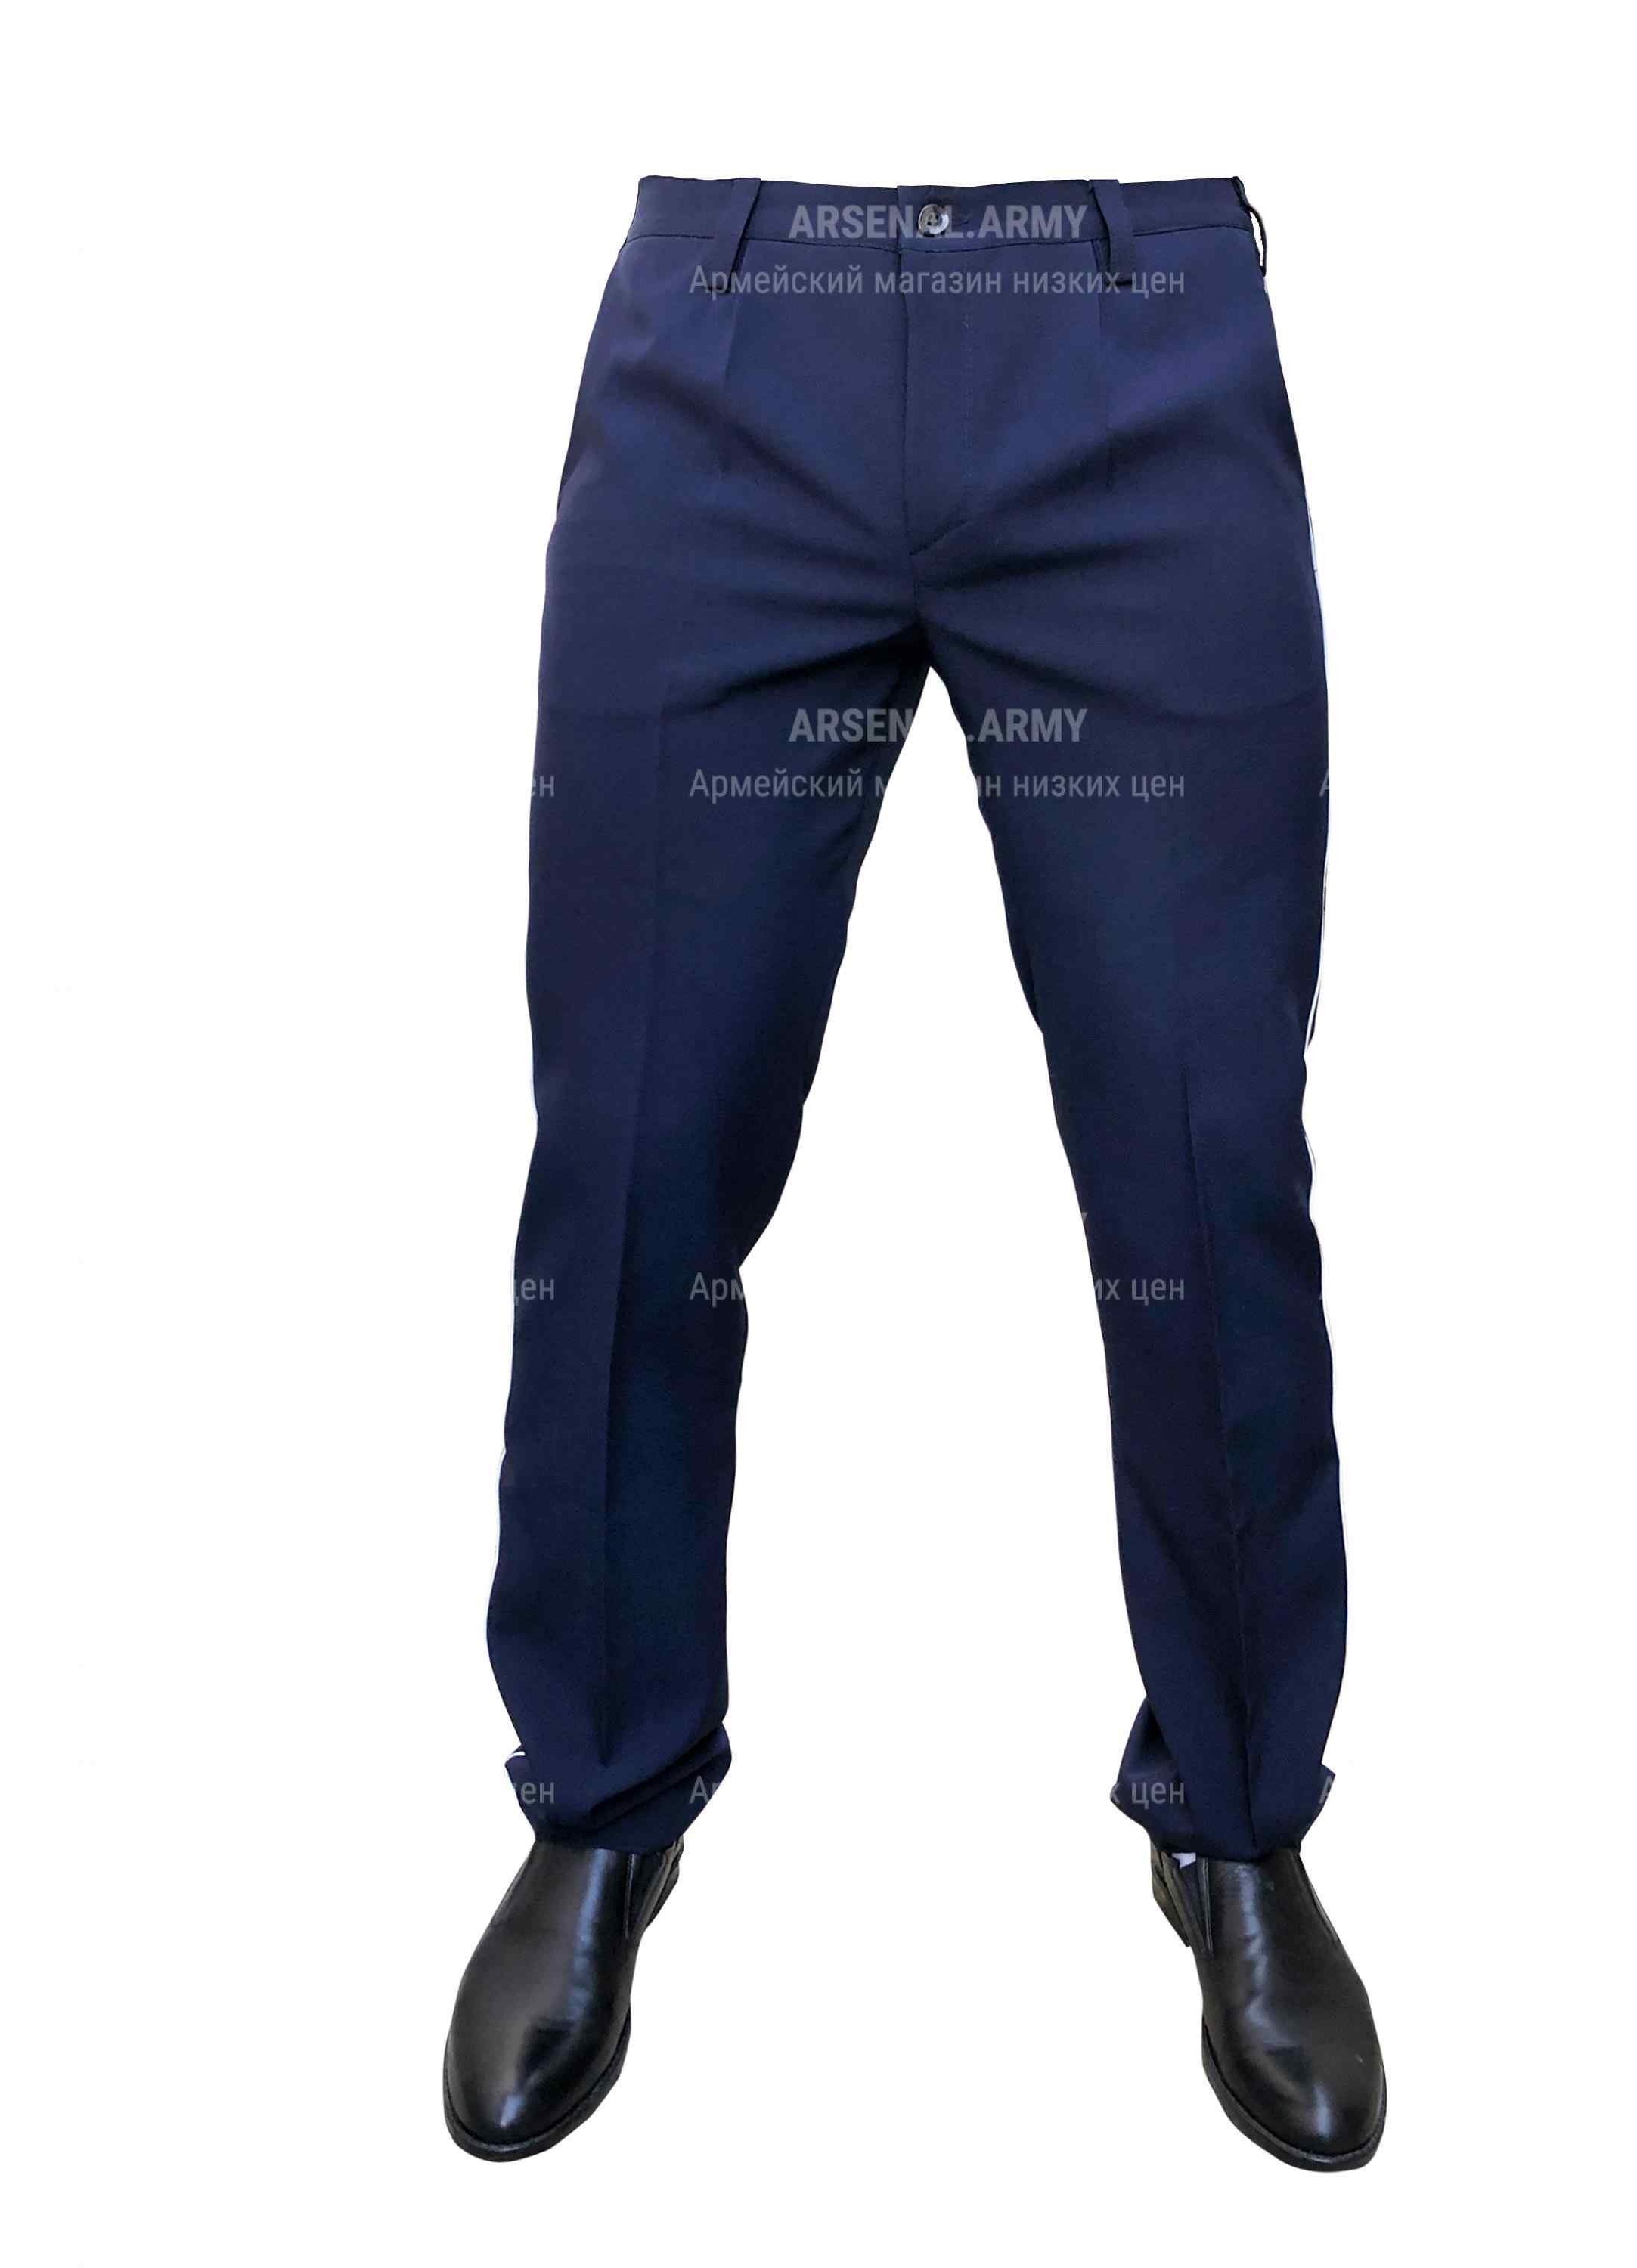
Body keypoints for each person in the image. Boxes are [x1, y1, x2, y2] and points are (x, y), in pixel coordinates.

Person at [444, 175, 1384, 2171]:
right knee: (637, 1139)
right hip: (729, 332)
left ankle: (1237, 1817)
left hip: (1135, 327)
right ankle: (600, 1791)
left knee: (1201, 1148)